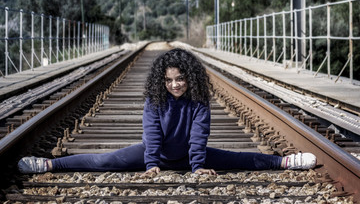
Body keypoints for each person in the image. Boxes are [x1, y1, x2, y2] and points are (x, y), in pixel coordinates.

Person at [18, 48, 316, 175]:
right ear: (162, 80)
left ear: (191, 78)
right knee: (106, 160)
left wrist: (198, 166)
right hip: (157, 153)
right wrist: (150, 164)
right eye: (170, 80)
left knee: (238, 159)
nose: (175, 85)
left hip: (189, 155)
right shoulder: (155, 100)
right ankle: (48, 166)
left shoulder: (198, 100)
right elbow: (151, 132)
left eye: (181, 79)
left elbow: (199, 134)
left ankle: (286, 162)